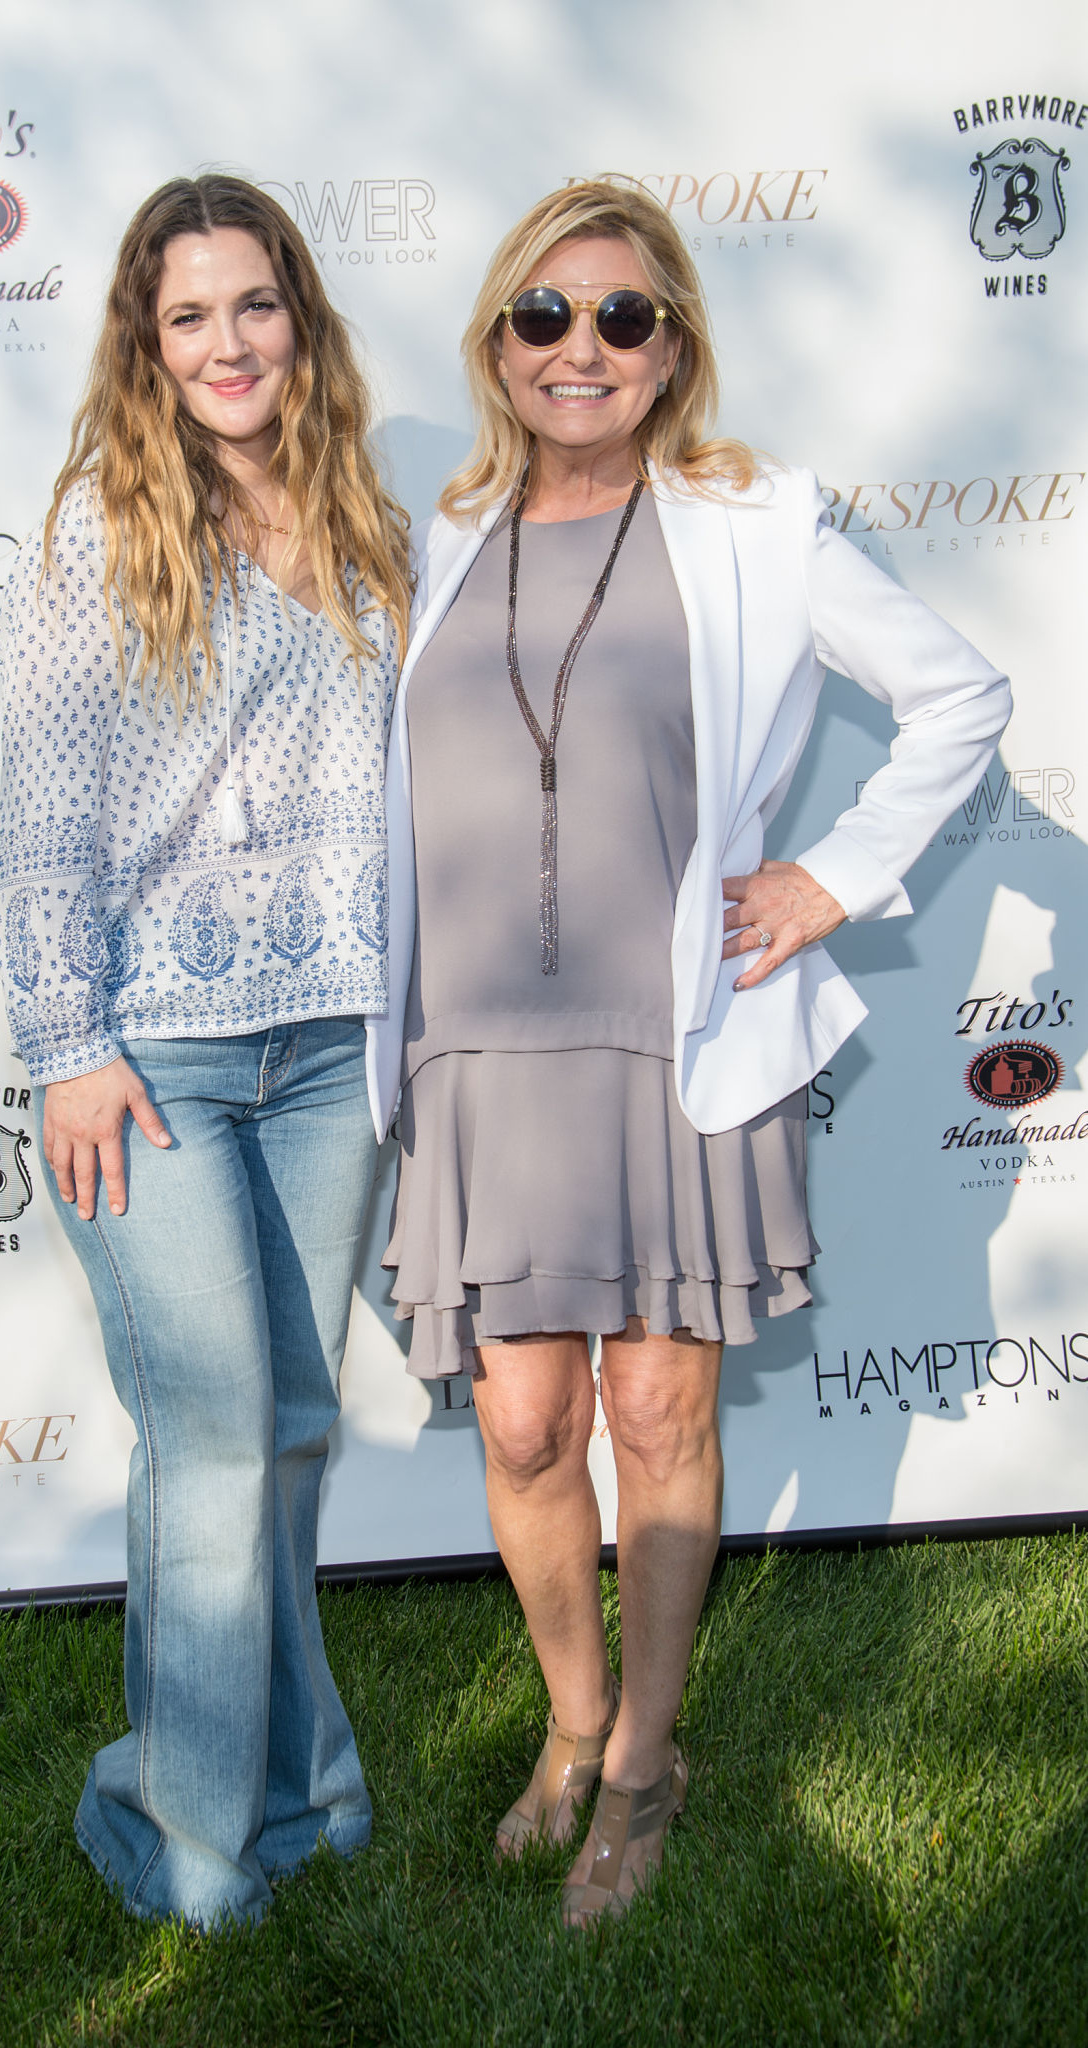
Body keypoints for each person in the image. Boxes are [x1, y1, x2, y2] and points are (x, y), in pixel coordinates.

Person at [368, 178, 1010, 1928]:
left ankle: (646, 1764)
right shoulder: (433, 538)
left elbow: (961, 695)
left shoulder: (753, 525)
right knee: (522, 1427)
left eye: (622, 316)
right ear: (497, 345)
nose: (580, 346)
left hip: (676, 1042)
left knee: (656, 1406)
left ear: (672, 352)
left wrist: (829, 878)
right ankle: (572, 1724)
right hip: (475, 1049)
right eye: (545, 314)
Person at [0, 174, 410, 1931]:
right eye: (189, 316)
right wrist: (67, 1043)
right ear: (146, 345)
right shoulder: (101, 529)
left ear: (298, 317)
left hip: (327, 1049)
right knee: (215, 1433)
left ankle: (297, 1795)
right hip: (151, 1059)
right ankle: (180, 1837)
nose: (227, 343)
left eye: (254, 304)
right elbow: (41, 820)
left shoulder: (367, 521)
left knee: (290, 1428)